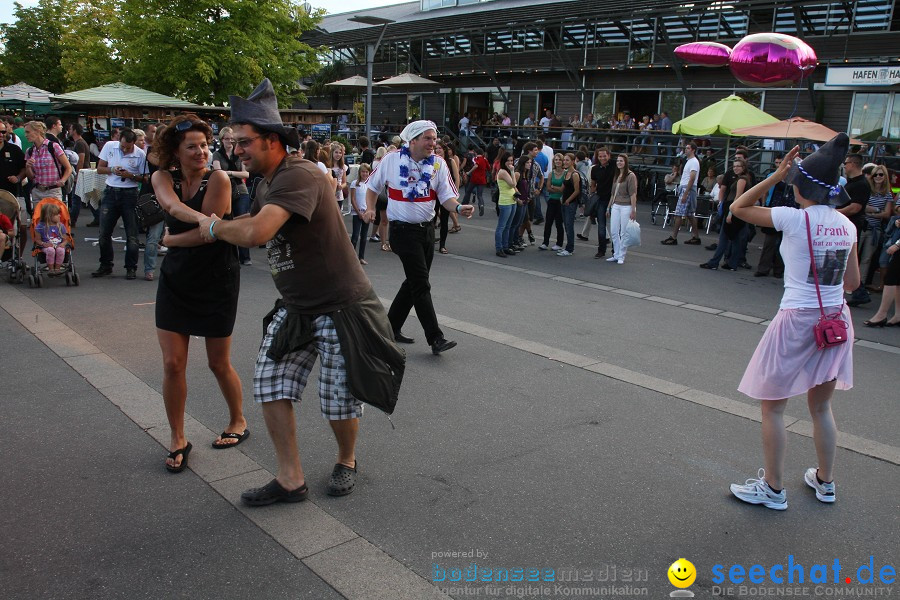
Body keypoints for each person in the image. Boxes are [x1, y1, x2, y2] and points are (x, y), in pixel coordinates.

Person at [197, 79, 404, 503]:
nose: (236, 149)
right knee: (271, 383)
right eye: (234, 142)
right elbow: (252, 230)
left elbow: (256, 232)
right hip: (296, 307)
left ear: (272, 140)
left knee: (337, 399)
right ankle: (291, 479)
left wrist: (214, 227)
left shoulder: (301, 174)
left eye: (244, 142)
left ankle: (346, 460)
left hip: (340, 306)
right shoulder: (263, 184)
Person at [729, 136, 859, 510]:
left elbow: (739, 207)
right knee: (821, 408)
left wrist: (774, 175)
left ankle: (772, 488)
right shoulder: (847, 226)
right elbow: (852, 284)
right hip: (836, 320)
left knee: (773, 408)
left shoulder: (793, 217)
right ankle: (825, 481)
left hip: (797, 318)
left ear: (800, 185)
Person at [149, 115, 247, 473]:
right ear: (175, 150)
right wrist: (207, 223)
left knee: (217, 362)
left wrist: (172, 239)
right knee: (173, 363)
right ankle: (177, 437)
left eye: (204, 145)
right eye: (192, 146)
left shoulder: (219, 178)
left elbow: (211, 234)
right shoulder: (162, 176)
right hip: (177, 278)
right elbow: (174, 208)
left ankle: (238, 420)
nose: (201, 151)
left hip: (216, 277)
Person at [364, 120, 474, 354]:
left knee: (413, 282)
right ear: (412, 140)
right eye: (427, 138)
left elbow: (446, 197)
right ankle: (435, 338)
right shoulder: (392, 160)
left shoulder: (438, 164)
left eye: (434, 139)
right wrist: (370, 208)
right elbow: (372, 186)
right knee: (421, 283)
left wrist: (458, 207)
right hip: (402, 231)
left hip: (426, 231)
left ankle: (390, 327)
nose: (433, 143)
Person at [91, 128, 146, 279]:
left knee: (132, 234)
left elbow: (145, 177)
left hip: (130, 193)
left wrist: (130, 175)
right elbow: (99, 169)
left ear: (134, 144)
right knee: (104, 232)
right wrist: (112, 169)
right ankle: (106, 265)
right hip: (111, 191)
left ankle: (131, 267)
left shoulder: (140, 154)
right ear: (119, 140)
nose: (124, 149)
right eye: (122, 146)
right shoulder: (110, 146)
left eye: (128, 147)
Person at [701, 158, 751, 271]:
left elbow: (737, 197)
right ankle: (732, 263)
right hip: (735, 210)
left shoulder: (742, 180)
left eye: (738, 166)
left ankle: (714, 262)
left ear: (743, 167)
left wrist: (730, 213)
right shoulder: (742, 179)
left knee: (725, 237)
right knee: (735, 238)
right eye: (734, 166)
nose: (735, 168)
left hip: (734, 210)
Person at [212, 126, 252, 265]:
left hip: (240, 190)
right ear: (222, 139)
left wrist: (228, 173)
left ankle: (245, 256)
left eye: (231, 139)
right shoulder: (217, 154)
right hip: (224, 190)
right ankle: (228, 255)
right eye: (227, 138)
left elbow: (246, 174)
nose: (229, 141)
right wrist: (233, 173)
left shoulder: (239, 154)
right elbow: (217, 172)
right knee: (226, 221)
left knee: (241, 221)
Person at [841, 154, 871, 307]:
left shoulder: (861, 184)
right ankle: (858, 291)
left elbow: (855, 207)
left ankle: (860, 291)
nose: (844, 166)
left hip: (851, 225)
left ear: (853, 164)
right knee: (845, 258)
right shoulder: (853, 183)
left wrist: (835, 214)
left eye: (846, 163)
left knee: (847, 258)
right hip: (847, 224)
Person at [858, 164, 894, 292]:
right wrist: (879, 211)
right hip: (863, 226)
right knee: (855, 255)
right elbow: (863, 206)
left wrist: (872, 211)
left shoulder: (888, 194)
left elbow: (887, 214)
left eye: (881, 174)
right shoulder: (867, 189)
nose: (878, 177)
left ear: (885, 177)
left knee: (867, 259)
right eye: (875, 174)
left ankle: (859, 285)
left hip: (875, 230)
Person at [24, 121, 73, 213]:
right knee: (39, 222)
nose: (26, 135)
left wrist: (63, 180)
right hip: (37, 191)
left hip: (53, 190)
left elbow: (68, 167)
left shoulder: (53, 146)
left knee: (53, 220)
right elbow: (31, 177)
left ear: (38, 131)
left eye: (28, 132)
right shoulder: (30, 151)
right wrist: (28, 167)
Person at [661, 142, 701, 245]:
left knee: (678, 213)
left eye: (688, 148)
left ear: (693, 150)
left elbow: (692, 178)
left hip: (687, 189)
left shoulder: (693, 162)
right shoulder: (689, 161)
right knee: (690, 214)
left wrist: (685, 193)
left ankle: (673, 237)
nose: (686, 149)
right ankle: (696, 237)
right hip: (686, 188)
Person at [605, 153, 637, 264]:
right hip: (616, 205)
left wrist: (633, 209)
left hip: (626, 206)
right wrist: (608, 207)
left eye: (621, 161)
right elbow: (613, 194)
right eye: (618, 161)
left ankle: (621, 255)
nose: (619, 163)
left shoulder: (630, 176)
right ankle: (616, 254)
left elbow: (633, 194)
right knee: (614, 231)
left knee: (623, 232)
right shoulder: (617, 175)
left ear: (626, 162)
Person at [494, 152, 519, 257]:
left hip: (512, 200)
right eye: (508, 160)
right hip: (505, 202)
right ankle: (499, 248)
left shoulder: (507, 171)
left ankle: (505, 246)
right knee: (502, 226)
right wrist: (513, 171)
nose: (510, 162)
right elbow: (513, 184)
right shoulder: (503, 172)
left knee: (507, 226)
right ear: (503, 161)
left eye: (511, 160)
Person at [539, 153, 565, 252]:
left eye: (559, 160)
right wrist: (556, 189)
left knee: (559, 223)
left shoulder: (565, 173)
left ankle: (559, 243)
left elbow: (563, 189)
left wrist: (555, 188)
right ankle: (545, 242)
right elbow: (548, 188)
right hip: (552, 200)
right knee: (548, 222)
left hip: (560, 201)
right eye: (556, 160)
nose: (557, 161)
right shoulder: (551, 173)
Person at [35, 202, 69, 274]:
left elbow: (65, 239)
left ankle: (57, 268)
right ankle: (51, 269)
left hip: (58, 245)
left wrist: (63, 244)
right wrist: (43, 243)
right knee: (50, 250)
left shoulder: (61, 226)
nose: (59, 216)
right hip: (47, 246)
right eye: (57, 214)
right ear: (49, 216)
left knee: (61, 250)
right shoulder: (40, 226)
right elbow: (37, 240)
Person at [557, 153, 581, 257]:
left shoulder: (575, 174)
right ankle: (568, 246)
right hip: (564, 202)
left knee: (569, 225)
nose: (565, 162)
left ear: (572, 161)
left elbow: (577, 190)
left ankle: (570, 248)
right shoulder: (566, 173)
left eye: (567, 160)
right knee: (566, 225)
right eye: (564, 160)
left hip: (571, 203)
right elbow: (562, 188)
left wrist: (568, 200)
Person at [349, 162, 371, 264]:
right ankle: (351, 257)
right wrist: (358, 212)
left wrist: (369, 211)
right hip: (357, 213)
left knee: (364, 236)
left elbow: (371, 199)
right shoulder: (355, 183)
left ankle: (361, 257)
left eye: (367, 172)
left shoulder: (370, 183)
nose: (365, 174)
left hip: (366, 213)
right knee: (355, 236)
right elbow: (353, 198)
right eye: (363, 172)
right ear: (359, 172)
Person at [0, 121, 26, 196]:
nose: (1, 134)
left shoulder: (14, 150)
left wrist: (18, 178)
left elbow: (24, 168)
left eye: (3, 132)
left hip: (9, 194)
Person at [463, 146, 488, 216]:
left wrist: (469, 172)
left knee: (468, 191)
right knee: (480, 195)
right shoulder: (485, 159)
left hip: (474, 178)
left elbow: (476, 165)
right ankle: (481, 205)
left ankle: (464, 204)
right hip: (482, 179)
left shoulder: (477, 159)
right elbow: (488, 168)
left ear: (476, 153)